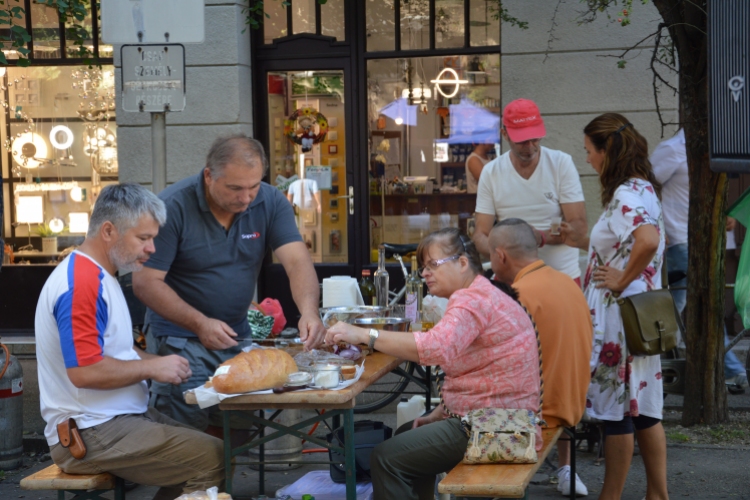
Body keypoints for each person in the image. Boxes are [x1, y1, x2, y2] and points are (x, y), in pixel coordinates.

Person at [35, 183, 224, 500]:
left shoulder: (99, 274)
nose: (152, 248)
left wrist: (156, 362)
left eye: (152, 238)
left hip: (108, 420)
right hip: (88, 432)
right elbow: (85, 371)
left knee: (215, 448)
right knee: (211, 456)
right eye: (143, 238)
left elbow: (114, 350)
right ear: (108, 231)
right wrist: (152, 369)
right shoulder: (83, 284)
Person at [326, 228, 541, 500]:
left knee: (385, 457)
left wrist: (364, 335)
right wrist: (438, 414)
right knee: (407, 432)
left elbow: (435, 347)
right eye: (423, 267)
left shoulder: (471, 299)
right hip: (502, 417)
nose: (424, 273)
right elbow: (478, 373)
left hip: (495, 427)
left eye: (432, 265)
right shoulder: (481, 294)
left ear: (462, 263)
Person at [132, 135, 326, 437]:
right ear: (209, 176)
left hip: (236, 337)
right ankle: (189, 487)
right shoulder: (172, 206)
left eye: (253, 186)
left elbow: (297, 262)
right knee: (187, 442)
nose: (246, 198)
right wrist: (199, 323)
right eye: (235, 188)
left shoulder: (271, 201)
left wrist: (309, 312)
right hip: (180, 340)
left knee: (235, 434)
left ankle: (221, 486)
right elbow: (145, 283)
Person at [571, 113, 668, 500]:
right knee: (643, 410)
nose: (588, 160)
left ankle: (609, 497)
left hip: (620, 319)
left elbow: (646, 239)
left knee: (616, 415)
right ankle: (657, 495)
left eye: (590, 152)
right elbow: (637, 242)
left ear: (607, 150)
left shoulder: (626, 194)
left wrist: (621, 279)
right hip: (641, 316)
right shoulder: (643, 187)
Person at [489, 218, 592, 497]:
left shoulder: (519, 295)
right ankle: (565, 469)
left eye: (490, 255)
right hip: (574, 404)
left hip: (540, 415)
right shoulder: (568, 283)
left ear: (501, 256)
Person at [651, 130, 747, 392]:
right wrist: (656, 227)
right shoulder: (672, 149)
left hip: (713, 241)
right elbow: (646, 187)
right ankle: (731, 370)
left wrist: (729, 214)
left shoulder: (720, 144)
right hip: (682, 240)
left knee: (680, 306)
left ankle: (656, 366)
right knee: (703, 306)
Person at [473, 98, 588, 283]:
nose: (530, 146)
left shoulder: (560, 164)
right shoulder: (491, 172)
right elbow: (480, 234)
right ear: (505, 134)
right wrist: (505, 254)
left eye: (535, 138)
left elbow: (579, 226)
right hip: (513, 280)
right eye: (522, 141)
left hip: (561, 278)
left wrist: (540, 237)